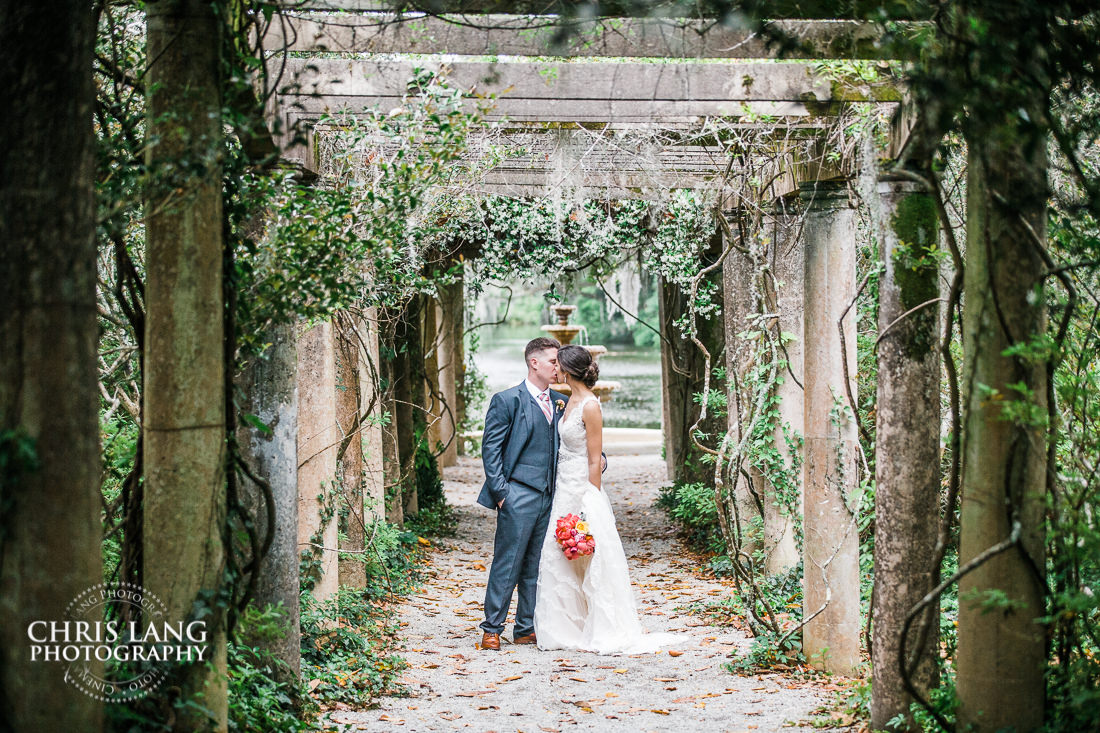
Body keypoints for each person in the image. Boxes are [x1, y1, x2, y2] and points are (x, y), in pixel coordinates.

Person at [533, 344, 685, 654]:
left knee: (590, 555)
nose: (555, 369)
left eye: (558, 364)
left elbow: (594, 459)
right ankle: (567, 627)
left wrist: (591, 499)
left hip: (581, 487)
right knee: (558, 554)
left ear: (568, 369)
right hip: (563, 485)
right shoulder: (568, 401)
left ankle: (600, 626)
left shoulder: (590, 405)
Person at [476, 337, 566, 651]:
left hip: (550, 497)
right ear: (534, 362)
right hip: (517, 493)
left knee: (537, 564)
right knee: (508, 562)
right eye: (554, 361)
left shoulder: (561, 402)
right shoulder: (507, 400)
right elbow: (491, 450)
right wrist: (502, 494)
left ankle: (526, 627)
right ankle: (492, 628)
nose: (558, 367)